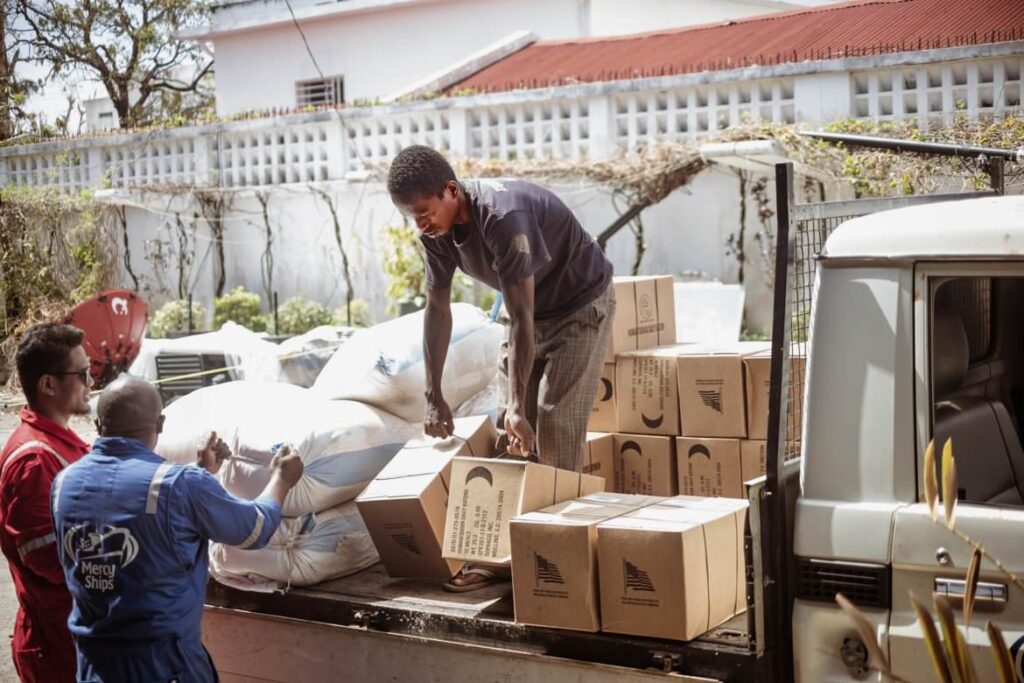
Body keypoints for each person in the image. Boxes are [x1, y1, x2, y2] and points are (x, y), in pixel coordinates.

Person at [387, 145, 615, 590]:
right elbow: (437, 308)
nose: (422, 223)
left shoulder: (503, 218)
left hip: (579, 306)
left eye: (425, 211)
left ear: (451, 191)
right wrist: (434, 395)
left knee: (552, 422)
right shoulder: (436, 235)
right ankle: (499, 555)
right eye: (412, 216)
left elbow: (523, 319)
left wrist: (519, 404)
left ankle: (556, 565)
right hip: (531, 315)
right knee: (506, 430)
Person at [51, 376, 303, 682]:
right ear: (160, 423)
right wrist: (281, 478)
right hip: (164, 667)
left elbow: (131, 510)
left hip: (94, 666)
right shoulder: (179, 486)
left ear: (98, 425)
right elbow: (255, 528)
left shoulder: (63, 483)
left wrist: (202, 474)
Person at [0, 323, 93, 682]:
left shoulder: (61, 441)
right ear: (48, 384)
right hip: (56, 648)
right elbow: (47, 558)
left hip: (73, 638)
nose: (90, 382)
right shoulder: (36, 460)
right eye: (82, 373)